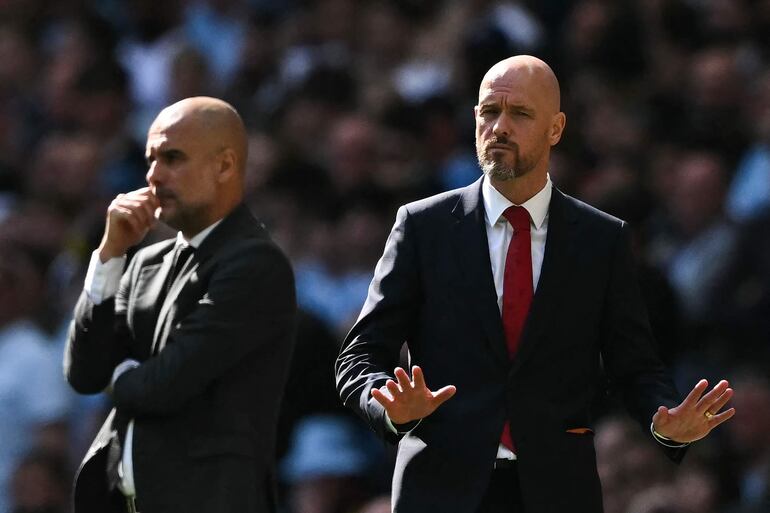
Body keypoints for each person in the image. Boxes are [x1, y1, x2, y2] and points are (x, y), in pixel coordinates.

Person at [335, 56, 736, 513]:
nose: (500, 127)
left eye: (520, 113)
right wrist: (387, 405)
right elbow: (360, 354)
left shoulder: (601, 239)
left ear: (556, 128)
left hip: (558, 492)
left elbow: (635, 366)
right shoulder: (422, 227)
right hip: (440, 493)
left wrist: (664, 422)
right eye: (490, 112)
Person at [64, 97, 296, 513]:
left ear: (224, 165)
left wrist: (121, 375)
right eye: (150, 160)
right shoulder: (144, 263)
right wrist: (109, 256)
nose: (153, 175)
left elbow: (164, 385)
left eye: (172, 158)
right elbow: (84, 373)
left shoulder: (256, 263)